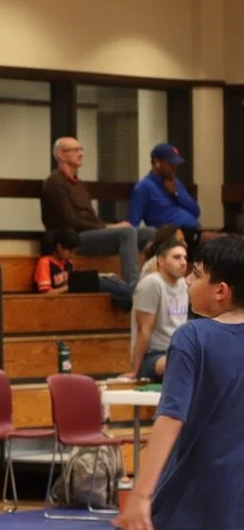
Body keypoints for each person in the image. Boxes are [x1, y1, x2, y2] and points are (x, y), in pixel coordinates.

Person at [118, 236, 244, 530]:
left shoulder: (193, 336)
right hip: (241, 507)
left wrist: (141, 493)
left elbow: (170, 418)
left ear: (221, 290)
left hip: (199, 500)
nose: (188, 281)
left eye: (197, 275)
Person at [41, 136, 152, 285]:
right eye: (75, 150)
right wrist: (109, 227)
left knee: (149, 232)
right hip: (73, 241)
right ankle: (134, 286)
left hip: (90, 234)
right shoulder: (54, 183)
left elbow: (93, 219)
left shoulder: (79, 184)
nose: (81, 153)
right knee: (127, 233)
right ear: (61, 155)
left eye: (81, 149)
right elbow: (70, 221)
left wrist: (108, 226)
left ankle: (152, 282)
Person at [132, 242, 190, 382]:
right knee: (180, 365)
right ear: (161, 261)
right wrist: (135, 371)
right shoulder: (151, 283)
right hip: (154, 355)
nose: (183, 262)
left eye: (185, 258)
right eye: (177, 257)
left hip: (180, 351)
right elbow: (145, 329)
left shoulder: (183, 284)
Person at [129, 143, 202, 232]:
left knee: (220, 240)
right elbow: (133, 223)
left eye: (177, 165)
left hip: (194, 230)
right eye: (171, 165)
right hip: (172, 236)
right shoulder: (144, 187)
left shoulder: (175, 183)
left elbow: (196, 211)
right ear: (157, 163)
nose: (175, 168)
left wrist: (176, 194)